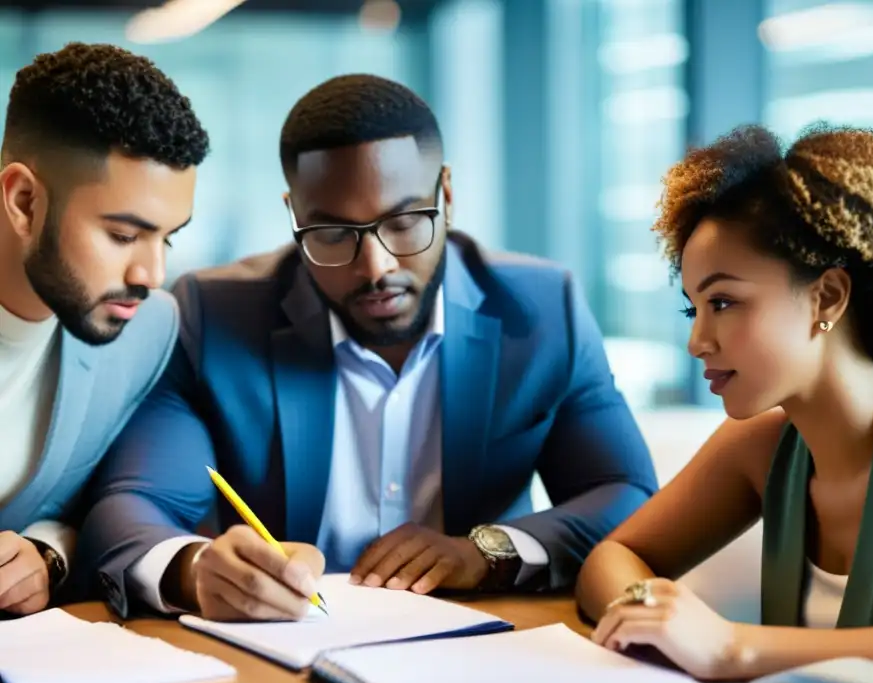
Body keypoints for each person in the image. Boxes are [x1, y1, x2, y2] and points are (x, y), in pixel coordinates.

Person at [77, 74, 657, 621]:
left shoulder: (540, 311)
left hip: (485, 643)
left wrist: (486, 552)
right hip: (284, 664)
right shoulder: (213, 314)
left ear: (446, 196)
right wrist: (195, 570)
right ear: (294, 217)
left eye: (405, 223)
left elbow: (625, 494)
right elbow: (130, 504)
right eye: (332, 234)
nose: (375, 267)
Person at [575, 124, 873, 683]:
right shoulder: (761, 444)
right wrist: (653, 615)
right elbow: (611, 558)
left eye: (724, 302)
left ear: (828, 298)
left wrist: (733, 647)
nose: (698, 341)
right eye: (694, 308)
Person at [0, 43, 208, 616]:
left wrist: (47, 554)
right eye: (122, 235)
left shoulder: (147, 331)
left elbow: (90, 501)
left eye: (166, 238)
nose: (152, 274)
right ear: (23, 202)